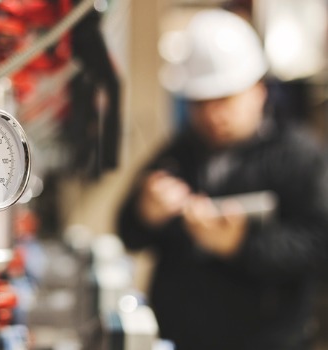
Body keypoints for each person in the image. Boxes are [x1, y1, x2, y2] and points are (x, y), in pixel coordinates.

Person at [116, 8, 328, 350]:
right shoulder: (179, 152)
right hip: (180, 337)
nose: (214, 115)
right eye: (201, 103)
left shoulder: (299, 156)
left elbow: (319, 245)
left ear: (258, 90)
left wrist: (240, 245)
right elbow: (128, 230)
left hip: (267, 339)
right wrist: (146, 212)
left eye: (225, 99)